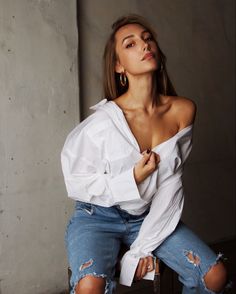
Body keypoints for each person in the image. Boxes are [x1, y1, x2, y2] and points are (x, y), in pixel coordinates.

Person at [61, 14, 229, 294]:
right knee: (90, 287)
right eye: (130, 44)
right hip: (97, 216)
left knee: (214, 276)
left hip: (150, 216)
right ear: (118, 66)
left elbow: (171, 185)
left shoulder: (183, 111)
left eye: (148, 39)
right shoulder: (101, 124)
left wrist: (139, 251)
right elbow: (76, 183)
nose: (144, 45)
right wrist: (131, 177)